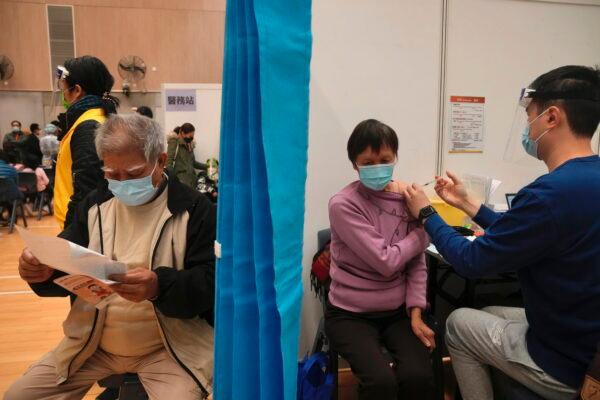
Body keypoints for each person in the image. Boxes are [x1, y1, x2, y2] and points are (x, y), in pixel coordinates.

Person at [402, 65, 600, 400]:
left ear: (552, 118)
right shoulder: (584, 181)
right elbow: (531, 232)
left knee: (459, 323)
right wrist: (469, 203)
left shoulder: (547, 194)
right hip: (585, 342)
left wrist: (426, 213)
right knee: (491, 313)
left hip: (565, 365)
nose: (527, 127)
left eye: (530, 117)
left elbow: (470, 260)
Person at [7, 114, 216, 400]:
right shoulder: (95, 205)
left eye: (132, 174)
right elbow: (65, 258)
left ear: (162, 161)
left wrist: (159, 286)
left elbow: (211, 283)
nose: (121, 182)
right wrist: (43, 272)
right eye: (111, 173)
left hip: (169, 349)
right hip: (92, 344)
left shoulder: (194, 209)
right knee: (20, 395)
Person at [324, 119, 435, 400]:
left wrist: (416, 311)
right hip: (350, 315)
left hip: (397, 312)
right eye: (368, 161)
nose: (378, 167)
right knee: (381, 383)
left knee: (419, 376)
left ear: (395, 158)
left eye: (385, 159)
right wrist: (426, 232)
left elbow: (416, 264)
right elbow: (386, 261)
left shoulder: (407, 200)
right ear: (354, 164)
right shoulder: (343, 204)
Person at [53, 55, 120, 229]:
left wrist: (71, 233)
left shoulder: (88, 127)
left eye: (64, 87)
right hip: (87, 225)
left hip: (83, 228)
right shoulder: (95, 119)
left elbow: (87, 191)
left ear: (77, 90)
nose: (63, 93)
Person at [166, 123, 207, 188]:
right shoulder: (174, 142)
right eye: (190, 135)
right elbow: (168, 163)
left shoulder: (190, 145)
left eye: (193, 135)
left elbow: (194, 163)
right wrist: (173, 180)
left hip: (192, 181)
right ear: (183, 133)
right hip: (180, 182)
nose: (192, 138)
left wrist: (208, 167)